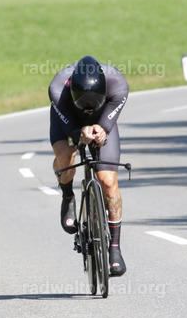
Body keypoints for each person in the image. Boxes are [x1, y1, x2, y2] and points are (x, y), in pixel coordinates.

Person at [49, 56, 129, 277]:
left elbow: (110, 117)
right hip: (68, 119)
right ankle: (67, 197)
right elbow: (67, 126)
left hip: (103, 118)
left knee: (108, 180)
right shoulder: (58, 88)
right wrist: (77, 134)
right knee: (66, 155)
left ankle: (114, 247)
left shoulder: (118, 84)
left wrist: (101, 127)